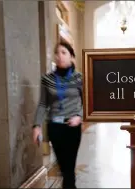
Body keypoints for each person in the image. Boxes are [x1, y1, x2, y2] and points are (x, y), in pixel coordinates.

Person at [32, 41, 83, 189]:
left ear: (72, 57)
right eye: (57, 53)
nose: (60, 56)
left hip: (72, 127)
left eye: (64, 52)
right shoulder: (47, 79)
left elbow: (87, 101)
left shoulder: (79, 78)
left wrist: (79, 116)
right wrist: (37, 125)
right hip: (55, 127)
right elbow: (43, 103)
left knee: (69, 168)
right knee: (63, 167)